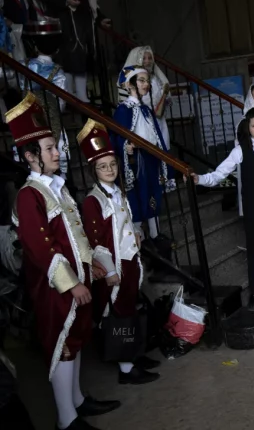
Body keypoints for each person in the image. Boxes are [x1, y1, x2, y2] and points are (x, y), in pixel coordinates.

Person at [7, 93, 120, 430]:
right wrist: (72, 284)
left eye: (55, 147)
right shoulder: (29, 195)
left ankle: (77, 402)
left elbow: (77, 235)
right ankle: (66, 420)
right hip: (53, 288)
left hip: (76, 281)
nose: (57, 153)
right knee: (62, 346)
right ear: (31, 157)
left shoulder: (58, 188)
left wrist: (92, 266)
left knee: (75, 339)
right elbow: (43, 249)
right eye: (50, 149)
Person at [78, 119, 161, 385]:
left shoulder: (118, 193)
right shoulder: (93, 200)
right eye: (103, 167)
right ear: (94, 170)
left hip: (130, 260)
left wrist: (137, 234)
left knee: (131, 309)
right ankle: (127, 369)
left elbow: (124, 223)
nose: (110, 169)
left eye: (112, 164)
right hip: (116, 266)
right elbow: (95, 240)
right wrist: (110, 270)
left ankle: (135, 355)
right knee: (121, 314)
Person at [191, 108, 254, 310]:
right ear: (249, 128)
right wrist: (200, 179)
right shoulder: (240, 150)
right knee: (253, 250)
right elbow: (220, 173)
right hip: (252, 208)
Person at [34, 0, 112, 103]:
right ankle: (68, 94)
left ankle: (82, 96)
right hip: (64, 21)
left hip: (82, 22)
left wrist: (100, 19)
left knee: (82, 57)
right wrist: (64, 1)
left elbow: (89, 1)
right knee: (68, 58)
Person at [112, 65, 170, 242]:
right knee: (137, 196)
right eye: (141, 80)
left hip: (151, 157)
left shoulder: (145, 109)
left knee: (153, 193)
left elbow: (156, 135)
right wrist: (125, 146)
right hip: (136, 160)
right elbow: (116, 136)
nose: (146, 84)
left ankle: (156, 235)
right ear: (129, 85)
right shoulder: (124, 110)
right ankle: (140, 237)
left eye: (147, 80)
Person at [22, 17, 73, 186]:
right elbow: (62, 102)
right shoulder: (58, 73)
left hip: (29, 121)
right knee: (57, 153)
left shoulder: (24, 66)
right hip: (52, 121)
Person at [118, 47, 171, 150]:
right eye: (144, 58)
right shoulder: (125, 108)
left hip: (157, 121)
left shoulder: (156, 79)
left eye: (150, 58)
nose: (147, 61)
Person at [2, 0, 42, 65]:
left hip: (29, 42)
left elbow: (40, 17)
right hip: (11, 42)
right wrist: (5, 21)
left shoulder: (30, 0)